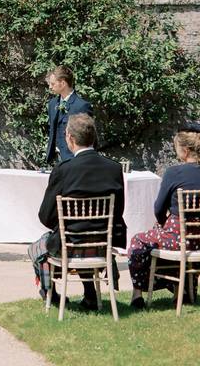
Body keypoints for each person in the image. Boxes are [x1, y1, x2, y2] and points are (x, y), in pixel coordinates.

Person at [28, 113, 126, 308]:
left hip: (70, 244)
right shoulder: (114, 168)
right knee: (78, 239)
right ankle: (90, 293)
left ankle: (50, 293)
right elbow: (118, 211)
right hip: (102, 244)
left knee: (37, 248)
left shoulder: (64, 169)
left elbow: (45, 215)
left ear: (70, 138)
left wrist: (66, 226)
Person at [126, 122, 200, 309]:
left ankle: (137, 293)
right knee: (169, 239)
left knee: (138, 241)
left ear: (184, 151)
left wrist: (162, 224)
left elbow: (159, 208)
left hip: (177, 237)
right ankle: (182, 290)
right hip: (198, 239)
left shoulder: (174, 173)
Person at [45, 65, 94, 164]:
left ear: (63, 83)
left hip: (73, 159)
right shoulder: (52, 104)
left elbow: (89, 138)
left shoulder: (81, 106)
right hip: (54, 158)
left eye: (53, 84)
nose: (50, 87)